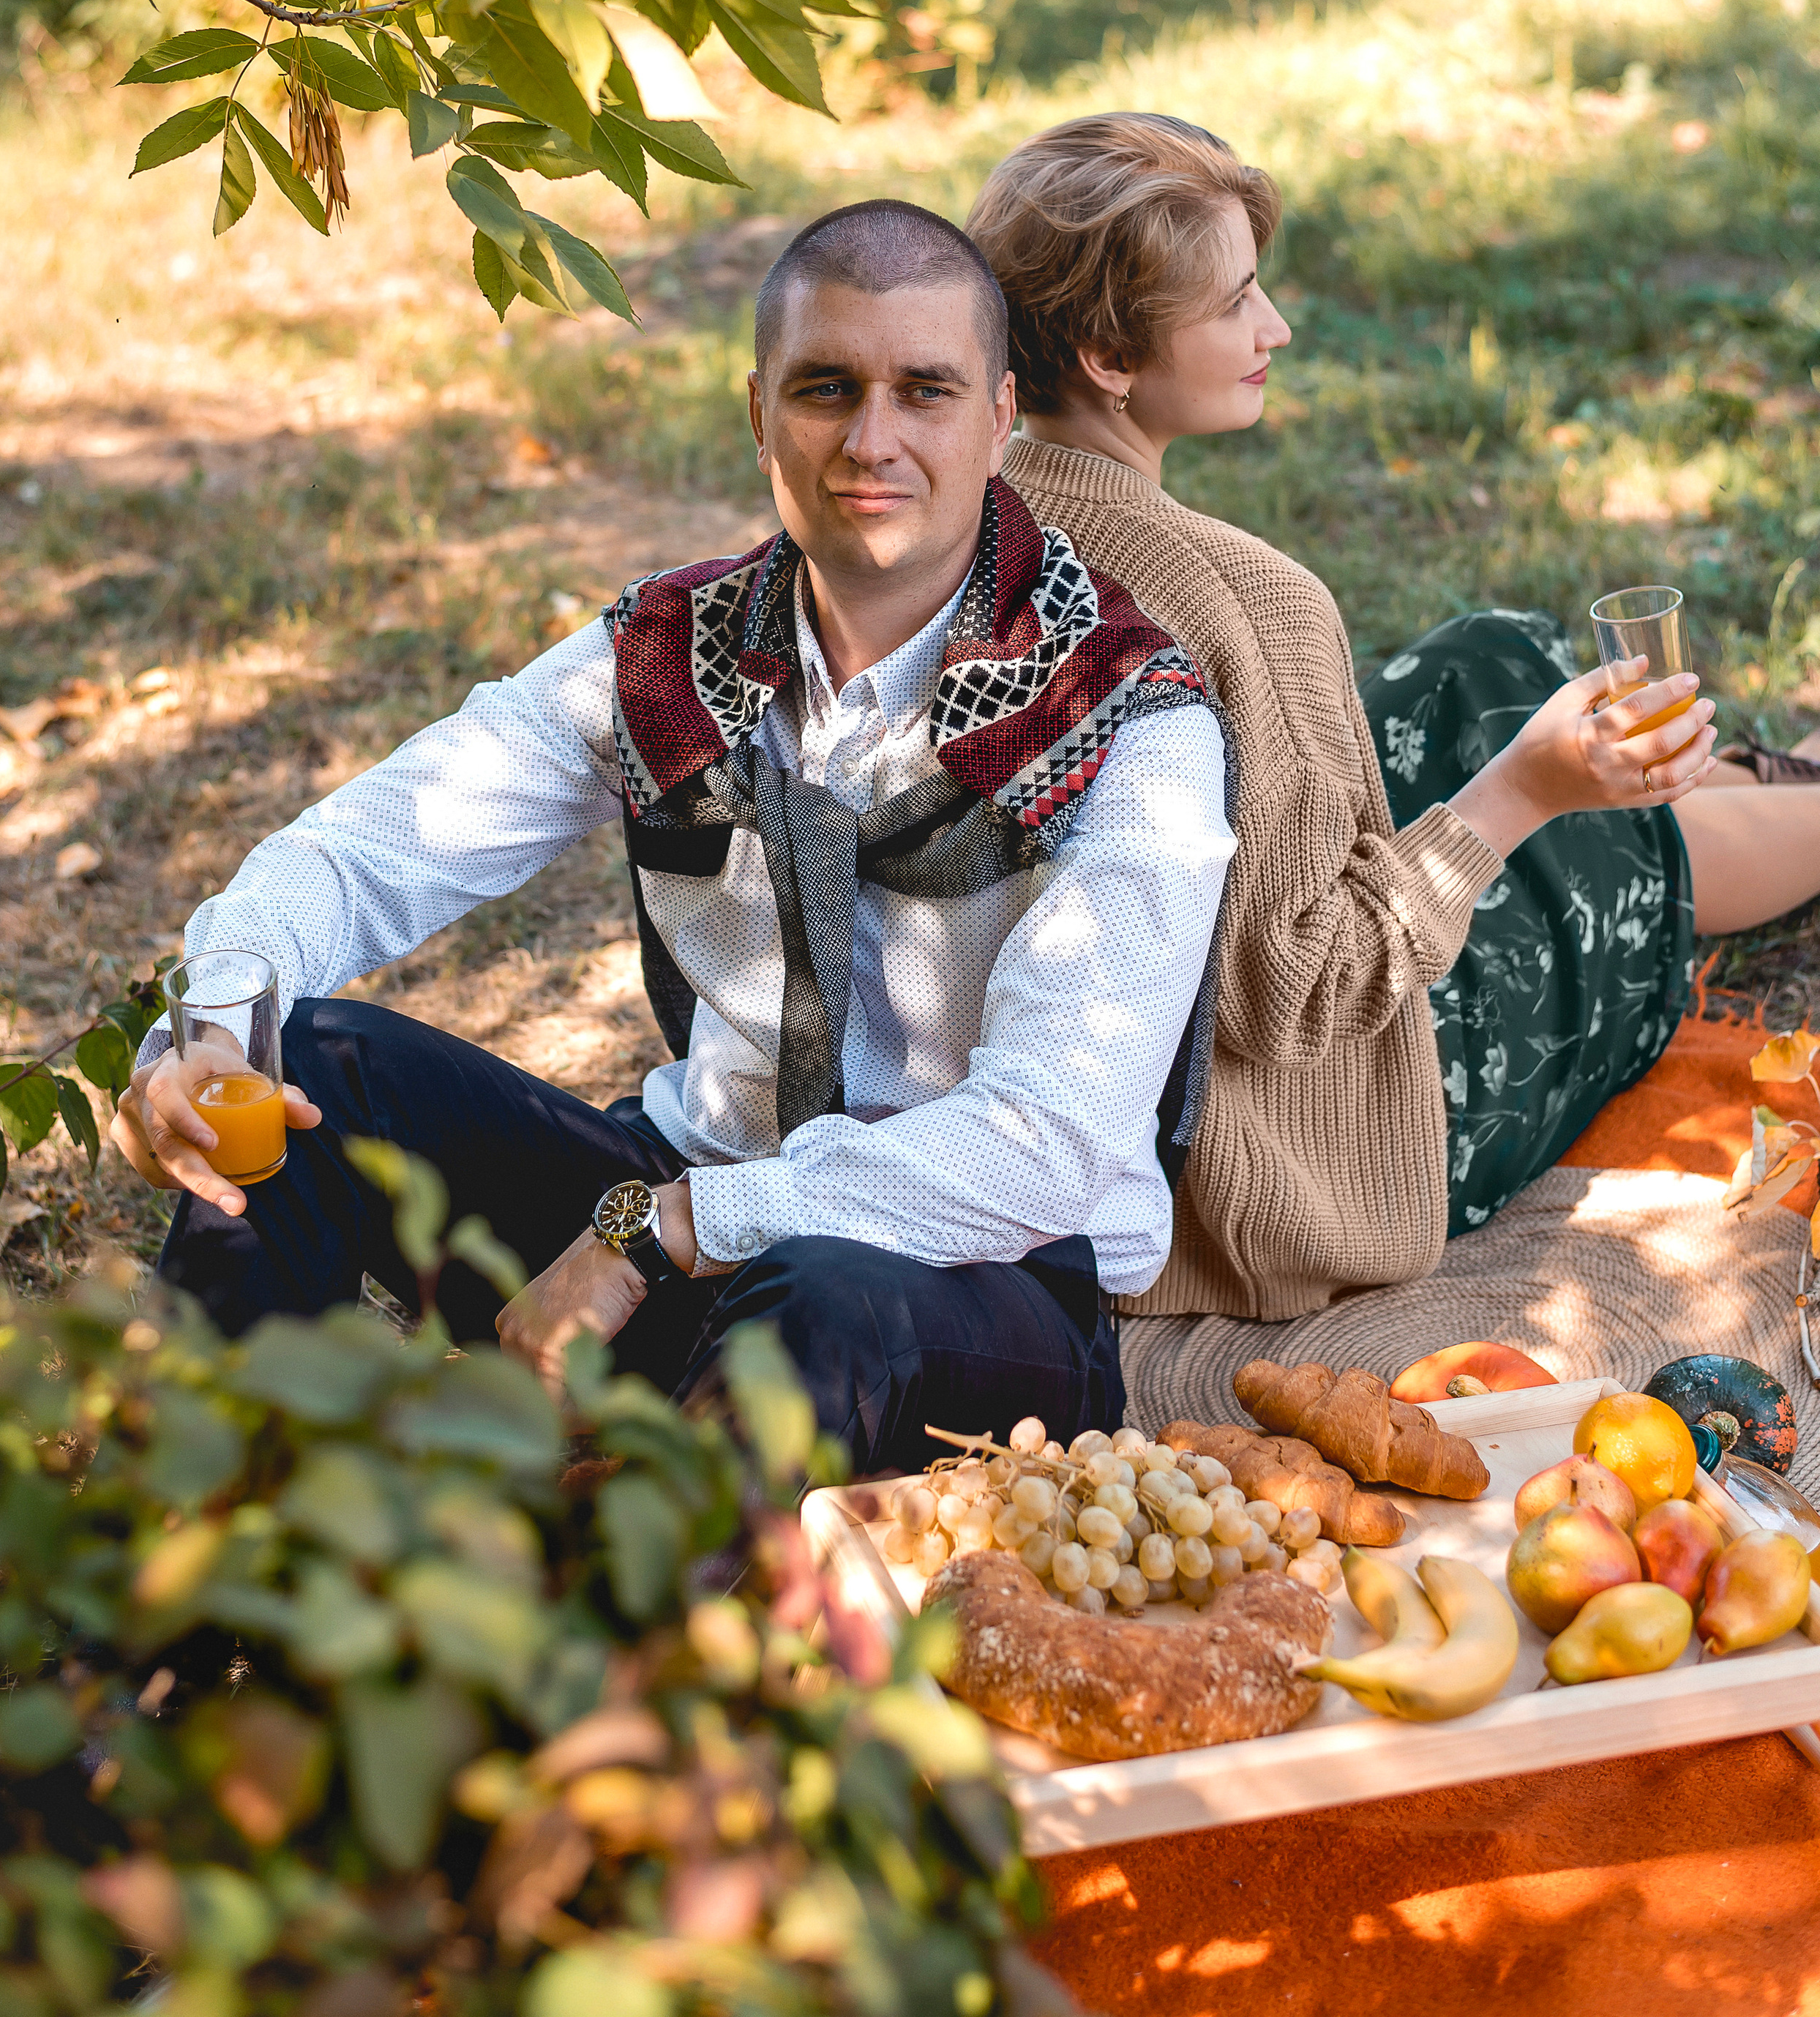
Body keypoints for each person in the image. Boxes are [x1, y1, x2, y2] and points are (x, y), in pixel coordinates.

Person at [111, 201, 1236, 1471]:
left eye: (926, 390)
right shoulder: (673, 653)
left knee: (812, 1306)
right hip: (679, 1211)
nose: (873, 440)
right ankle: (180, 1617)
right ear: (760, 412)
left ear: (1000, 418)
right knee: (309, 1060)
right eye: (828, 389)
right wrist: (202, 1042)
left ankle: (592, 1628)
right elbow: (379, 841)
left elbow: (1045, 1148)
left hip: (969, 1291)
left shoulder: (1129, 720)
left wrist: (659, 1232)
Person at [967, 111, 1820, 1322]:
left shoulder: (969, 526)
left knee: (1487, 660)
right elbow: (1299, 993)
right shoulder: (1242, 603)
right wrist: (1527, 794)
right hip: (1310, 1156)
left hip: (1148, 1062)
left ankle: (1758, 770)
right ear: (1109, 352)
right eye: (1236, 303)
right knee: (1601, 840)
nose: (1278, 328)